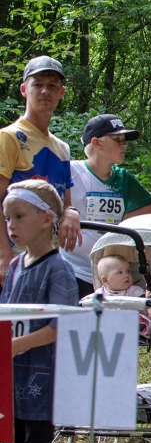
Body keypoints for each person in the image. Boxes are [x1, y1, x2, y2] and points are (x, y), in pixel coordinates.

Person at [0, 180, 78, 443]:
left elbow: (60, 324)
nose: (11, 225)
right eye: (7, 218)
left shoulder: (58, 268)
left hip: (42, 374)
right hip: (10, 373)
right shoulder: (15, 266)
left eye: (19, 216)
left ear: (47, 218)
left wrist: (17, 344)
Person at [0, 57, 81, 286]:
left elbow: (64, 203)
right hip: (14, 255)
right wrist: (3, 253)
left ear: (62, 92)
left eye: (52, 86)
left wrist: (72, 212)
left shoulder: (61, 148)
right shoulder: (9, 137)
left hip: (47, 257)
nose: (45, 91)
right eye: (38, 84)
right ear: (24, 89)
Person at [62, 114, 151, 298]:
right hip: (70, 268)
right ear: (97, 143)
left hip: (110, 273)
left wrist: (118, 227)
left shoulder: (122, 178)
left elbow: (148, 205)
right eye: (117, 140)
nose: (124, 145)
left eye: (124, 140)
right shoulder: (71, 171)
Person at [94, 254, 151, 337]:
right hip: (111, 323)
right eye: (120, 272)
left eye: (128, 271)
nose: (126, 275)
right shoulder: (100, 293)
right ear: (105, 280)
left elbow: (145, 306)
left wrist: (148, 297)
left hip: (133, 322)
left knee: (146, 311)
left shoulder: (134, 290)